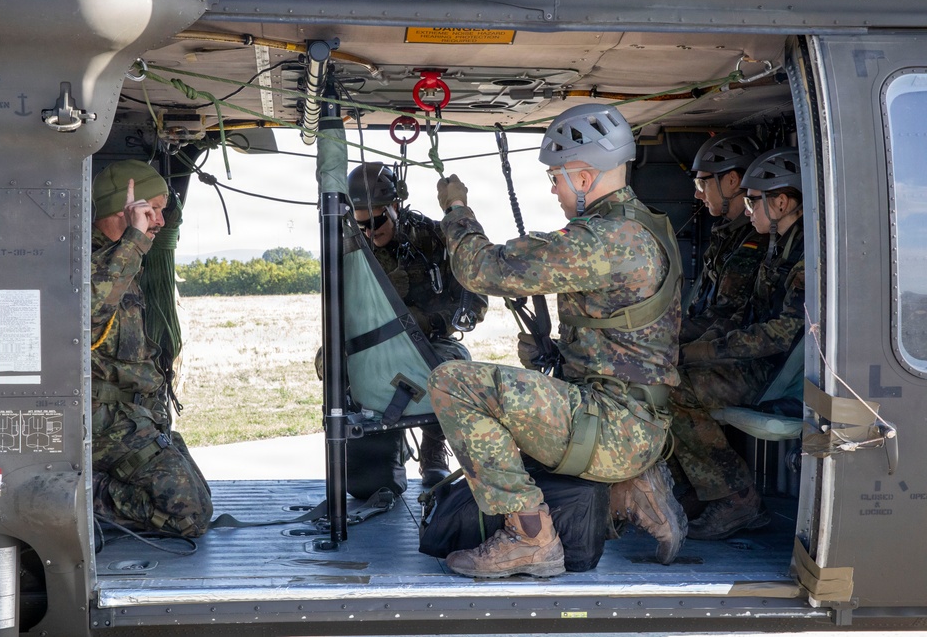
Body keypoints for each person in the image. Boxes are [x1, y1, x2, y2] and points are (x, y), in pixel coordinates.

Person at [426, 103, 686, 579]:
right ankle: (636, 485)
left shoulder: (601, 240)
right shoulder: (646, 226)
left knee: (452, 383)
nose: (553, 189)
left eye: (556, 178)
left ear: (584, 177)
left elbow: (482, 269)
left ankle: (529, 537)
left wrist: (456, 210)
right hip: (640, 420)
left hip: (613, 429)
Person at [669, 147, 805, 540]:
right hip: (762, 363)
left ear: (781, 203)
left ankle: (736, 498)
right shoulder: (779, 245)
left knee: (676, 388)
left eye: (753, 202)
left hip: (776, 373)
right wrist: (700, 342)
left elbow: (782, 333)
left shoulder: (803, 256)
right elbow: (745, 314)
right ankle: (701, 490)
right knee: (669, 375)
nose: (748, 211)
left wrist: (706, 351)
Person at [343, 162, 488, 496]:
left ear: (395, 205)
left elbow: (474, 303)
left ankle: (434, 449)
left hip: (431, 344)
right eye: (360, 225)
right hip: (371, 348)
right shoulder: (351, 250)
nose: (369, 232)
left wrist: (429, 321)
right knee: (332, 367)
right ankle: (383, 450)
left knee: (450, 371)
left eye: (376, 221)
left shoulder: (436, 239)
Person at [90, 159, 212, 537]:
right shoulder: (89, 260)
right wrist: (134, 240)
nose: (159, 221)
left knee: (200, 497)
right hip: (103, 422)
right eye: (153, 210)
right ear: (124, 209)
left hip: (133, 416)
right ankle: (79, 494)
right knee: (187, 515)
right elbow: (88, 311)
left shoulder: (125, 261)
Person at [682, 133, 768, 343]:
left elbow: (724, 315)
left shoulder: (754, 241)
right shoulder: (726, 235)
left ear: (732, 180)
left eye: (702, 184)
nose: (698, 194)